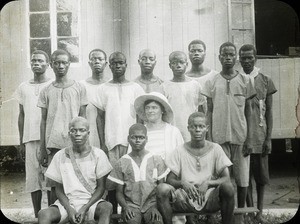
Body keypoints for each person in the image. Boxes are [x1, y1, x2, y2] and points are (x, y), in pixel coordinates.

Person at [201, 42, 256, 223]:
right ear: (219, 57)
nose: (228, 58)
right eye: (224, 55)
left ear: (236, 58)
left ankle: (240, 214)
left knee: (242, 178)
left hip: (240, 137)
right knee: (221, 178)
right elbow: (208, 110)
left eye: (231, 54)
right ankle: (224, 214)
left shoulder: (246, 80)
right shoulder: (211, 81)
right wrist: (208, 138)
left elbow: (249, 111)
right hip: (218, 138)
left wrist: (249, 139)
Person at [156, 112, 235, 224]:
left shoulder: (215, 149)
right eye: (194, 126)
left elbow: (226, 179)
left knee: (228, 187)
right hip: (185, 199)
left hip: (209, 198)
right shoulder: (180, 150)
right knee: (161, 189)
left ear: (207, 128)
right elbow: (170, 180)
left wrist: (208, 183)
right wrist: (183, 183)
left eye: (201, 126)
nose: (197, 130)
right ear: (188, 128)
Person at [91, 52, 144, 215]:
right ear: (109, 65)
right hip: (111, 141)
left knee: (131, 178)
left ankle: (133, 213)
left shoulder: (135, 88)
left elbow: (140, 118)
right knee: (112, 180)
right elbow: (100, 118)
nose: (117, 66)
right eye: (114, 63)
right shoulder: (103, 88)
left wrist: (139, 143)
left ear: (126, 65)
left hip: (131, 142)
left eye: (121, 63)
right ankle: (112, 214)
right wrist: (102, 144)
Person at [38, 117, 113, 224]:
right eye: (74, 130)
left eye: (82, 130)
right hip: (67, 203)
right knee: (43, 214)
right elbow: (58, 190)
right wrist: (69, 209)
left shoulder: (98, 154)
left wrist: (85, 208)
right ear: (69, 133)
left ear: (88, 133)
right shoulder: (60, 156)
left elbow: (101, 188)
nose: (77, 133)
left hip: (91, 202)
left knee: (107, 207)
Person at [38, 49, 88, 204]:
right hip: (53, 144)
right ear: (51, 65)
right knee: (54, 183)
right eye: (57, 62)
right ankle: (55, 214)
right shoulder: (46, 90)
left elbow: (83, 119)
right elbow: (43, 120)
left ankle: (75, 213)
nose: (60, 66)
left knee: (75, 181)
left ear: (69, 64)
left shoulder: (79, 88)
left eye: (64, 62)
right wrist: (42, 148)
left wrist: (85, 144)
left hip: (75, 143)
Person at [133, 92, 186, 224]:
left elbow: (182, 159)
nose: (150, 111)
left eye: (154, 107)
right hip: (146, 181)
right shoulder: (140, 132)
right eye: (148, 108)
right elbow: (133, 158)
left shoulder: (173, 131)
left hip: (169, 181)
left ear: (162, 110)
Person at [239, 44, 277, 223]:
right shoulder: (237, 79)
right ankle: (248, 210)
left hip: (260, 135)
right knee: (245, 177)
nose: (246, 61)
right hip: (241, 136)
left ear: (256, 58)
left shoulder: (265, 79)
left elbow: (269, 111)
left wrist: (268, 138)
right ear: (239, 59)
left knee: (261, 177)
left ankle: (260, 212)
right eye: (243, 58)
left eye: (250, 58)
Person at [14, 50, 52, 217]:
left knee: (51, 178)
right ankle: (37, 215)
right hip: (29, 138)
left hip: (49, 139)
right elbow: (21, 115)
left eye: (40, 60)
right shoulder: (23, 87)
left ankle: (52, 213)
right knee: (32, 179)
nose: (36, 63)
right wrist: (21, 140)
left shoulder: (52, 85)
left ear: (48, 64)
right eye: (33, 60)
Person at [108, 123, 168, 224]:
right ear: (128, 138)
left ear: (147, 139)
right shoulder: (122, 162)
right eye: (134, 137)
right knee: (131, 221)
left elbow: (160, 189)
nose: (137, 140)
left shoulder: (156, 159)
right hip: (131, 206)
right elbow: (119, 192)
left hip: (152, 205)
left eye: (141, 137)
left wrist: (156, 207)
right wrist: (125, 207)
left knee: (156, 221)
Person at [162, 51, 206, 141]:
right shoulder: (164, 86)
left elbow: (201, 109)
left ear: (187, 64)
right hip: (171, 130)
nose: (178, 65)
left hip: (192, 130)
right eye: (174, 63)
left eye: (181, 62)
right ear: (170, 66)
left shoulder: (195, 85)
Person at [80, 49, 108, 148]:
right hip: (88, 133)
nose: (97, 61)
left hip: (107, 133)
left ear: (106, 63)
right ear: (89, 63)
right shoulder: (81, 85)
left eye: (100, 59)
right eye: (94, 59)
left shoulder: (110, 85)